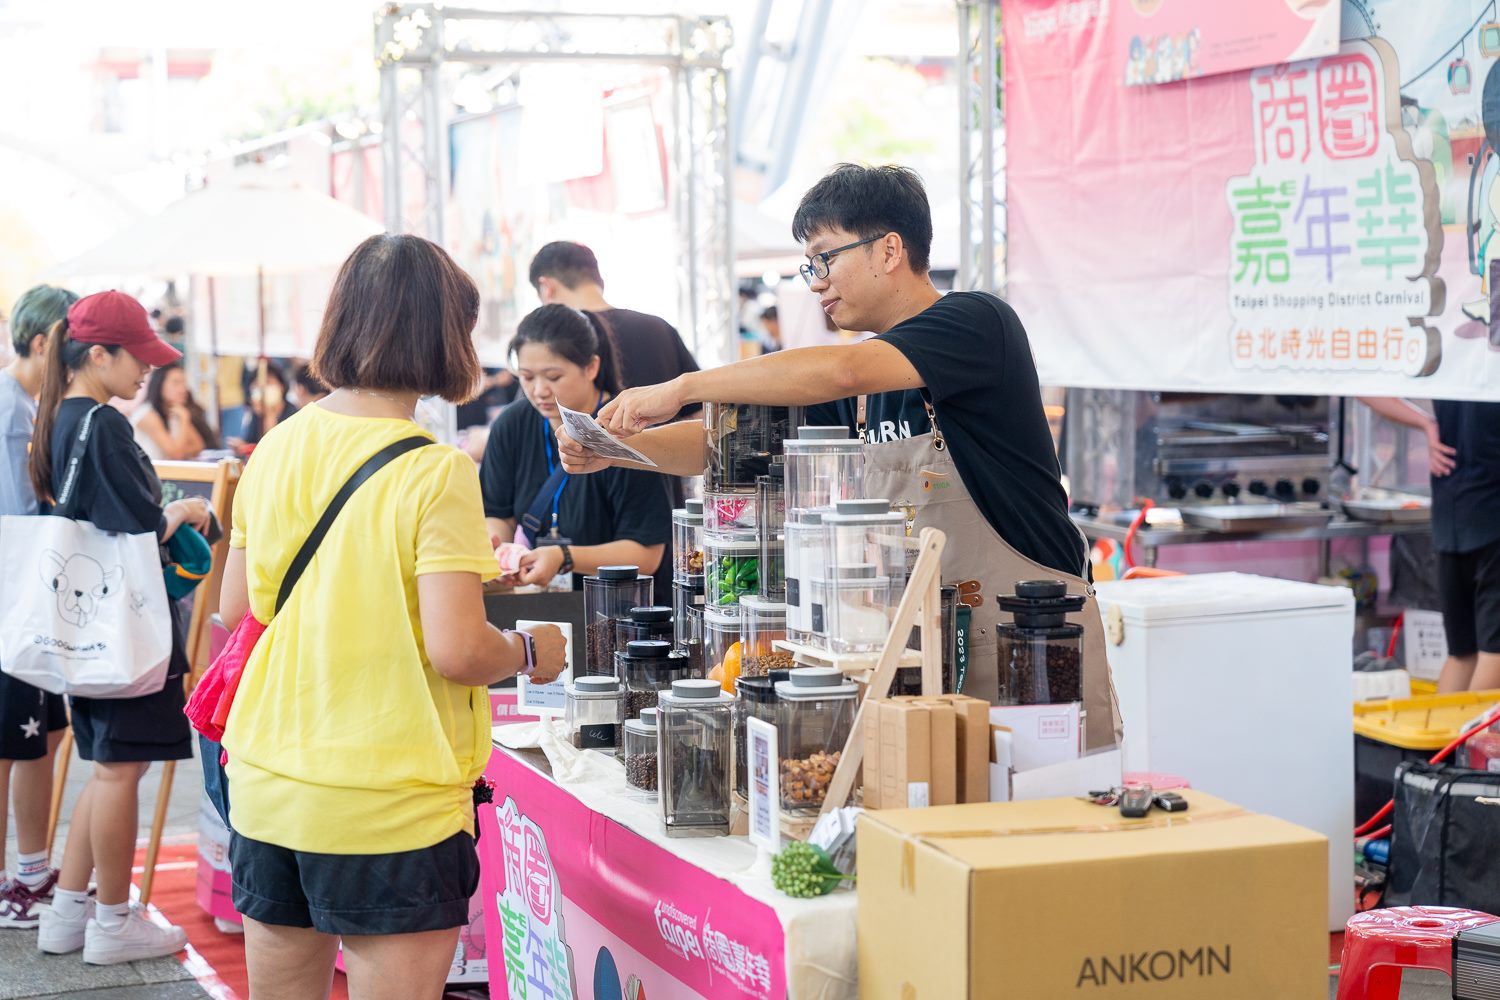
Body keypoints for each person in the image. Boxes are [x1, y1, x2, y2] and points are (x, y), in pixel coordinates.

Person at [559, 164, 1122, 745]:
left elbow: (841, 367)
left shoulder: (976, 322)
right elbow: (724, 448)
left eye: (825, 258)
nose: (815, 281)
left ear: (888, 250)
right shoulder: (853, 392)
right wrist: (619, 449)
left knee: (1044, 809)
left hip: (1027, 632)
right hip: (914, 645)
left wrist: (683, 387)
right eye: (809, 265)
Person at [218, 233, 565, 1000]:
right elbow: (458, 650)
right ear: (444, 335)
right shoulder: (434, 470)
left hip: (269, 783)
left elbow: (235, 608)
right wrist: (531, 649)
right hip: (389, 804)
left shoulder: (275, 446)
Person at [32, 290, 213, 963]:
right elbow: (137, 529)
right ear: (98, 353)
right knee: (117, 773)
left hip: (84, 627)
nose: (148, 371)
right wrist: (188, 507)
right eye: (137, 357)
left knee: (106, 765)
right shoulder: (102, 425)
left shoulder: (60, 419)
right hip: (124, 627)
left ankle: (69, 912)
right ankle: (111, 918)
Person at [479, 304, 670, 591]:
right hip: (535, 602)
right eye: (527, 377)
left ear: (591, 367)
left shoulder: (626, 429)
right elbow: (498, 512)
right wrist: (504, 554)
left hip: (617, 607)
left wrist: (563, 557)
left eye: (553, 377)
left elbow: (646, 554)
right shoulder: (511, 425)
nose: (539, 390)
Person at [0, 285, 76, 929]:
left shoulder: (24, 405)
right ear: (43, 342)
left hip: (27, 604)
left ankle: (29, 871)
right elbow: (17, 521)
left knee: (40, 738)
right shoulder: (10, 410)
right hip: (13, 604)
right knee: (13, 744)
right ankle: (13, 882)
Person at [1360, 397, 1500, 692]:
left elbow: (1363, 385)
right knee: (1493, 655)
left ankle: (1443, 740)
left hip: (1451, 518)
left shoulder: (1454, 358)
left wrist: (1427, 423)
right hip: (1491, 523)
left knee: (1462, 654)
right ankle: (1469, 739)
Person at [529, 240, 701, 413]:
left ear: (546, 288)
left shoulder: (559, 339)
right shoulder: (660, 327)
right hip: (673, 440)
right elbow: (700, 411)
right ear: (598, 280)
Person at [130, 362, 220, 460]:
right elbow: (176, 454)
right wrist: (185, 419)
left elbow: (198, 446)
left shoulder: (175, 412)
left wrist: (179, 448)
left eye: (184, 382)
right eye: (176, 383)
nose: (183, 389)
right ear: (160, 384)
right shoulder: (147, 415)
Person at [233, 359, 297, 451]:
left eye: (268, 382)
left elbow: (276, 447)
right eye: (256, 385)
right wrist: (242, 446)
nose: (262, 388)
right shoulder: (257, 414)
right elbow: (251, 442)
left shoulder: (293, 414)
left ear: (281, 386)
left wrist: (270, 416)